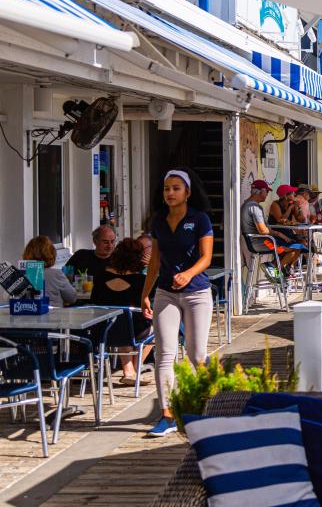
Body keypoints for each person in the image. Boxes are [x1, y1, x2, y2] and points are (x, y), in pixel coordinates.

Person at [141, 168, 214, 437]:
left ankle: (210, 403)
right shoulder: (159, 222)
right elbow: (155, 262)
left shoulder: (200, 219)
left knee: (196, 354)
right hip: (165, 293)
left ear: (187, 193)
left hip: (197, 293)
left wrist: (189, 273)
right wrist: (145, 293)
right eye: (166, 189)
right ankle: (167, 415)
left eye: (175, 188)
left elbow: (206, 258)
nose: (170, 193)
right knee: (164, 354)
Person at [91, 238, 152, 385]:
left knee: (120, 320)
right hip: (133, 331)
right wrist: (152, 268)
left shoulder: (100, 276)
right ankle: (134, 369)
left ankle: (129, 370)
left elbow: (94, 302)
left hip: (104, 331)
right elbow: (149, 306)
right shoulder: (140, 280)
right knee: (156, 326)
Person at [240, 181, 301, 271]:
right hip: (262, 243)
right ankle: (272, 268)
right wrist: (280, 235)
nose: (267, 194)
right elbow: (263, 231)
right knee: (295, 248)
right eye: (267, 192)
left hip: (256, 242)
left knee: (295, 245)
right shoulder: (255, 207)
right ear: (261, 191)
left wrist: (282, 236)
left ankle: (275, 269)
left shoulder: (246, 204)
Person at [22, 236, 76, 306]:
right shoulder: (56, 274)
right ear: (52, 254)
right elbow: (72, 298)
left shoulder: (21, 274)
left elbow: (8, 298)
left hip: (26, 315)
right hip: (53, 315)